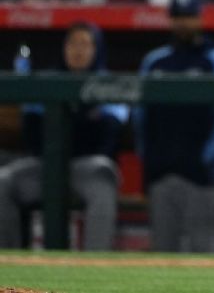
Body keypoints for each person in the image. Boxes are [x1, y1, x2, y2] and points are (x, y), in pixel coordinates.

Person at [0, 22, 127, 250]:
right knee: (3, 180)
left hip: (86, 168)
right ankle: (9, 258)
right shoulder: (45, 81)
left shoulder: (109, 84)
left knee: (104, 175)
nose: (78, 50)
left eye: (85, 44)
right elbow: (32, 135)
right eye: (72, 43)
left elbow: (108, 138)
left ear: (97, 49)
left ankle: (96, 264)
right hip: (44, 166)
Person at [137, 0, 214, 252]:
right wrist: (148, 157)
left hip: (201, 176)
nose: (182, 23)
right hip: (162, 172)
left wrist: (207, 155)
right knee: (162, 255)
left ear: (199, 19)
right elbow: (140, 115)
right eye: (177, 17)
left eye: (188, 17)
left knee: (205, 252)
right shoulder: (155, 61)